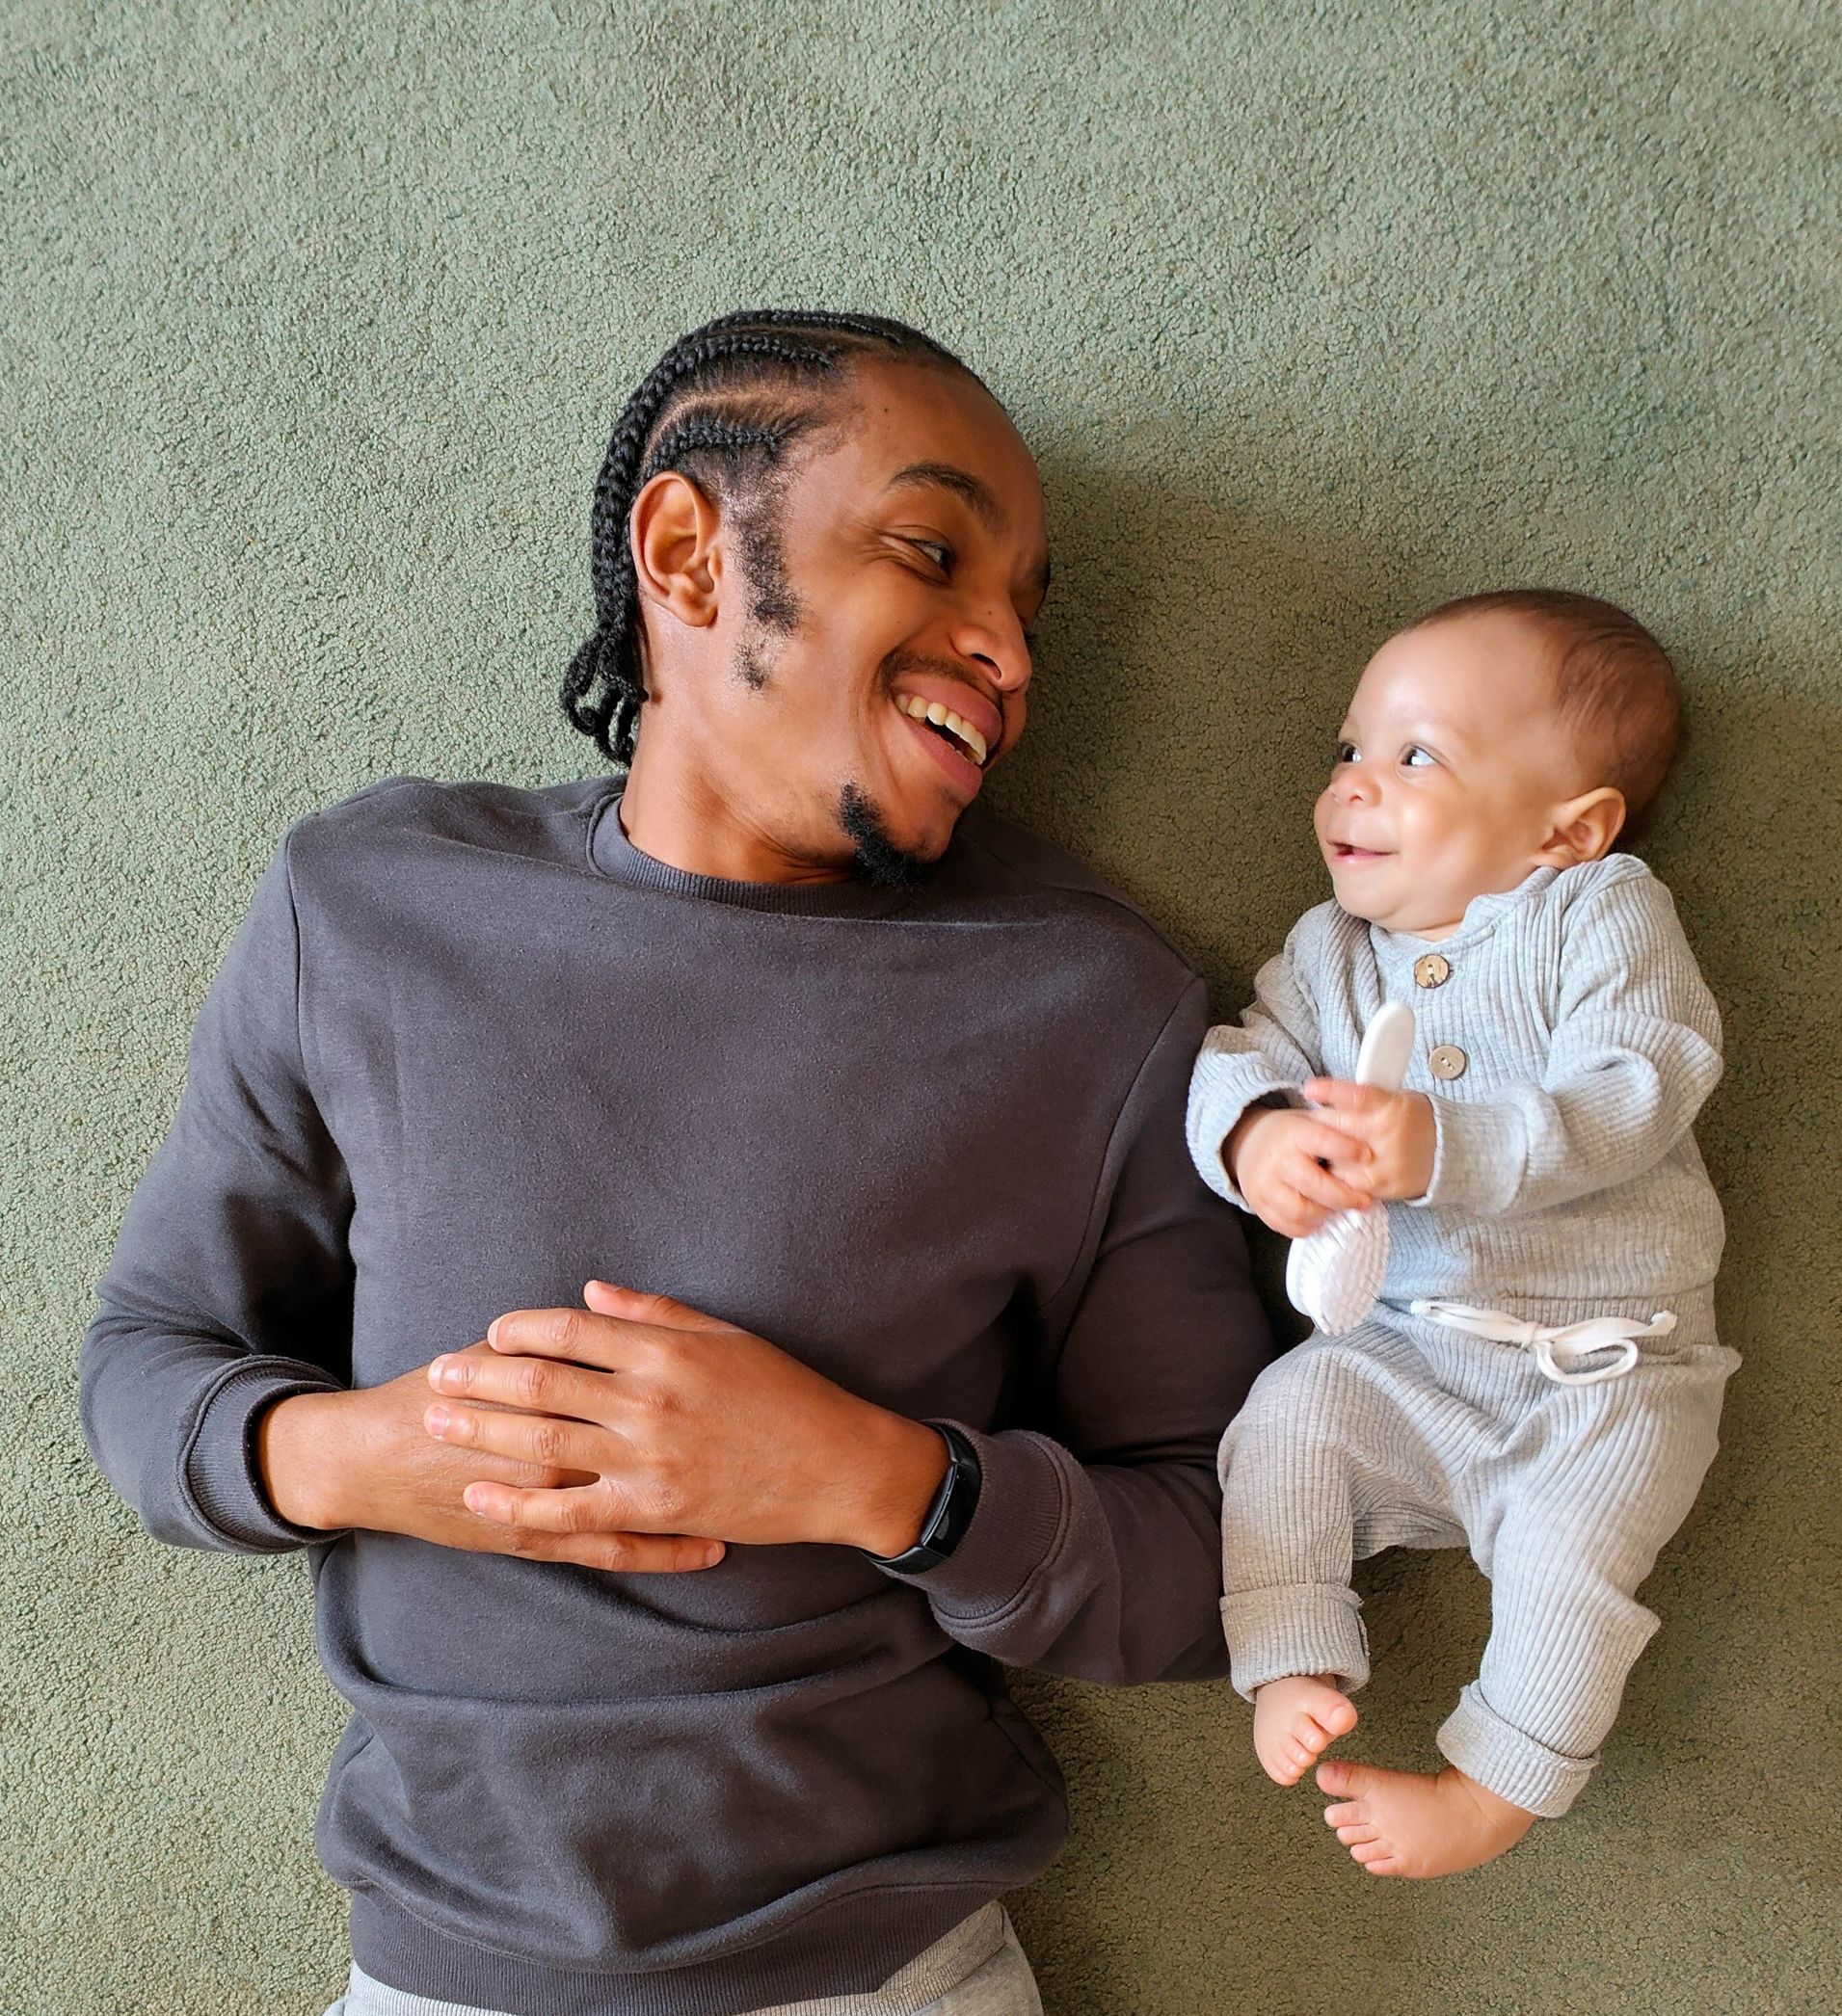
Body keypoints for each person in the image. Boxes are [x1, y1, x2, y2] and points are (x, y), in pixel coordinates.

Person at [79, 308, 1271, 2016]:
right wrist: (353, 1455)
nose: (1004, 648)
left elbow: (1228, 1563)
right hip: (434, 1970)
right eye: (934, 554)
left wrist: (880, 1484)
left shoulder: (1098, 1011)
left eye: (1028, 607)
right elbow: (144, 1356)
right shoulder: (368, 905)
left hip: (883, 1978)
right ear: (688, 556)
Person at [1186, 588, 1740, 1879]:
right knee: (1286, 1421)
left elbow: (1644, 1083)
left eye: (1412, 756)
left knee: (1572, 1566)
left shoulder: (1596, 915)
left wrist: (1446, 1144)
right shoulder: (1332, 955)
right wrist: (1260, 1138)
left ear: (1570, 829)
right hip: (1408, 1358)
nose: (1352, 789)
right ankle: (1291, 1655)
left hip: (1612, 1373)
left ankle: (1494, 1785)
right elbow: (1237, 1058)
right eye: (1347, 751)